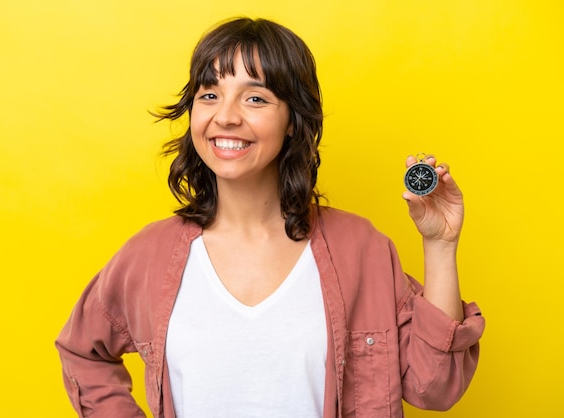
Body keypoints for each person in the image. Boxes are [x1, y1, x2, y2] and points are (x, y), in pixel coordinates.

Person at [55, 17, 485, 418]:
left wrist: (440, 245)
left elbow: (436, 388)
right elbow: (82, 350)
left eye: (255, 98)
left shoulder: (361, 249)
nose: (225, 116)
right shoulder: (148, 256)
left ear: (294, 121)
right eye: (209, 95)